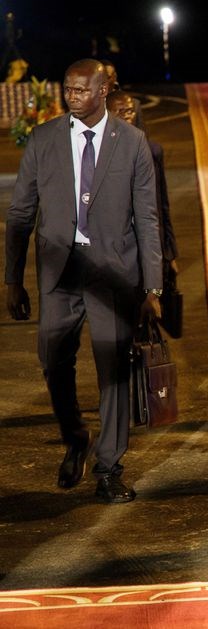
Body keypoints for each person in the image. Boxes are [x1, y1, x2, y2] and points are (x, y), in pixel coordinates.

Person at [5, 58, 162, 503]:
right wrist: (12, 279)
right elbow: (20, 214)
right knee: (54, 363)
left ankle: (109, 467)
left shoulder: (132, 143)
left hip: (114, 275)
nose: (71, 97)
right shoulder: (44, 139)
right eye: (67, 90)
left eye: (80, 90)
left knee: (113, 372)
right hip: (60, 272)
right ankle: (76, 437)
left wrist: (153, 288)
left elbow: (147, 219)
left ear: (105, 89)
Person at [106, 89, 179, 283]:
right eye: (121, 112)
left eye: (130, 111)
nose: (127, 116)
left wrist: (169, 252)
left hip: (148, 247)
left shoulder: (152, 151)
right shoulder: (95, 155)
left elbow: (162, 204)